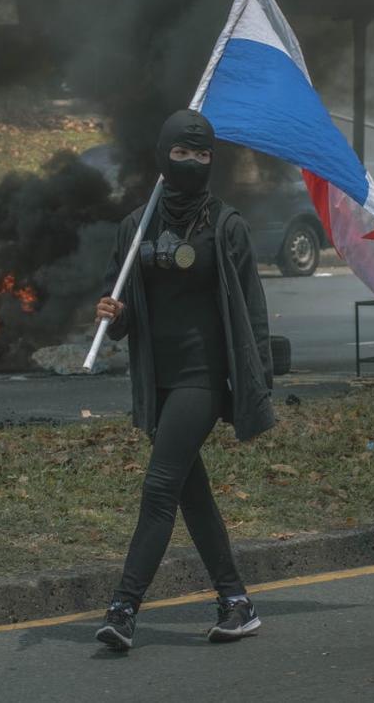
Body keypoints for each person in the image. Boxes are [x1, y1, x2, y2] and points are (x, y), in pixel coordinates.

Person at [93, 109, 274, 651]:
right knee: (192, 495)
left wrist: (256, 383)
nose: (192, 162)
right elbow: (120, 315)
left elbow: (253, 313)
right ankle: (236, 602)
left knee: (159, 488)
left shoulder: (226, 225)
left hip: (202, 377)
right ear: (162, 156)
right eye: (181, 153)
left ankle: (124, 608)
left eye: (201, 155)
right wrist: (110, 312)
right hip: (156, 382)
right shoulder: (135, 227)